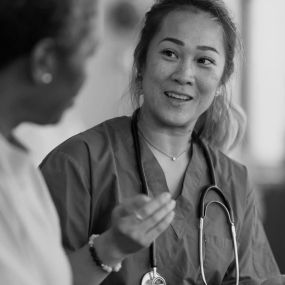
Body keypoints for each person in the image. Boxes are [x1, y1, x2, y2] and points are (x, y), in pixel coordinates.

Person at [39, 0, 282, 284]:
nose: (184, 75)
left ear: (221, 82)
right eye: (169, 53)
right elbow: (31, 275)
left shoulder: (233, 182)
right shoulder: (77, 163)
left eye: (204, 60)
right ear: (140, 64)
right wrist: (109, 248)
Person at [0, 0, 99, 284]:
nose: (85, 76)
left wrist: (112, 247)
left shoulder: (21, 168)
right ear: (45, 59)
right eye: (87, 56)